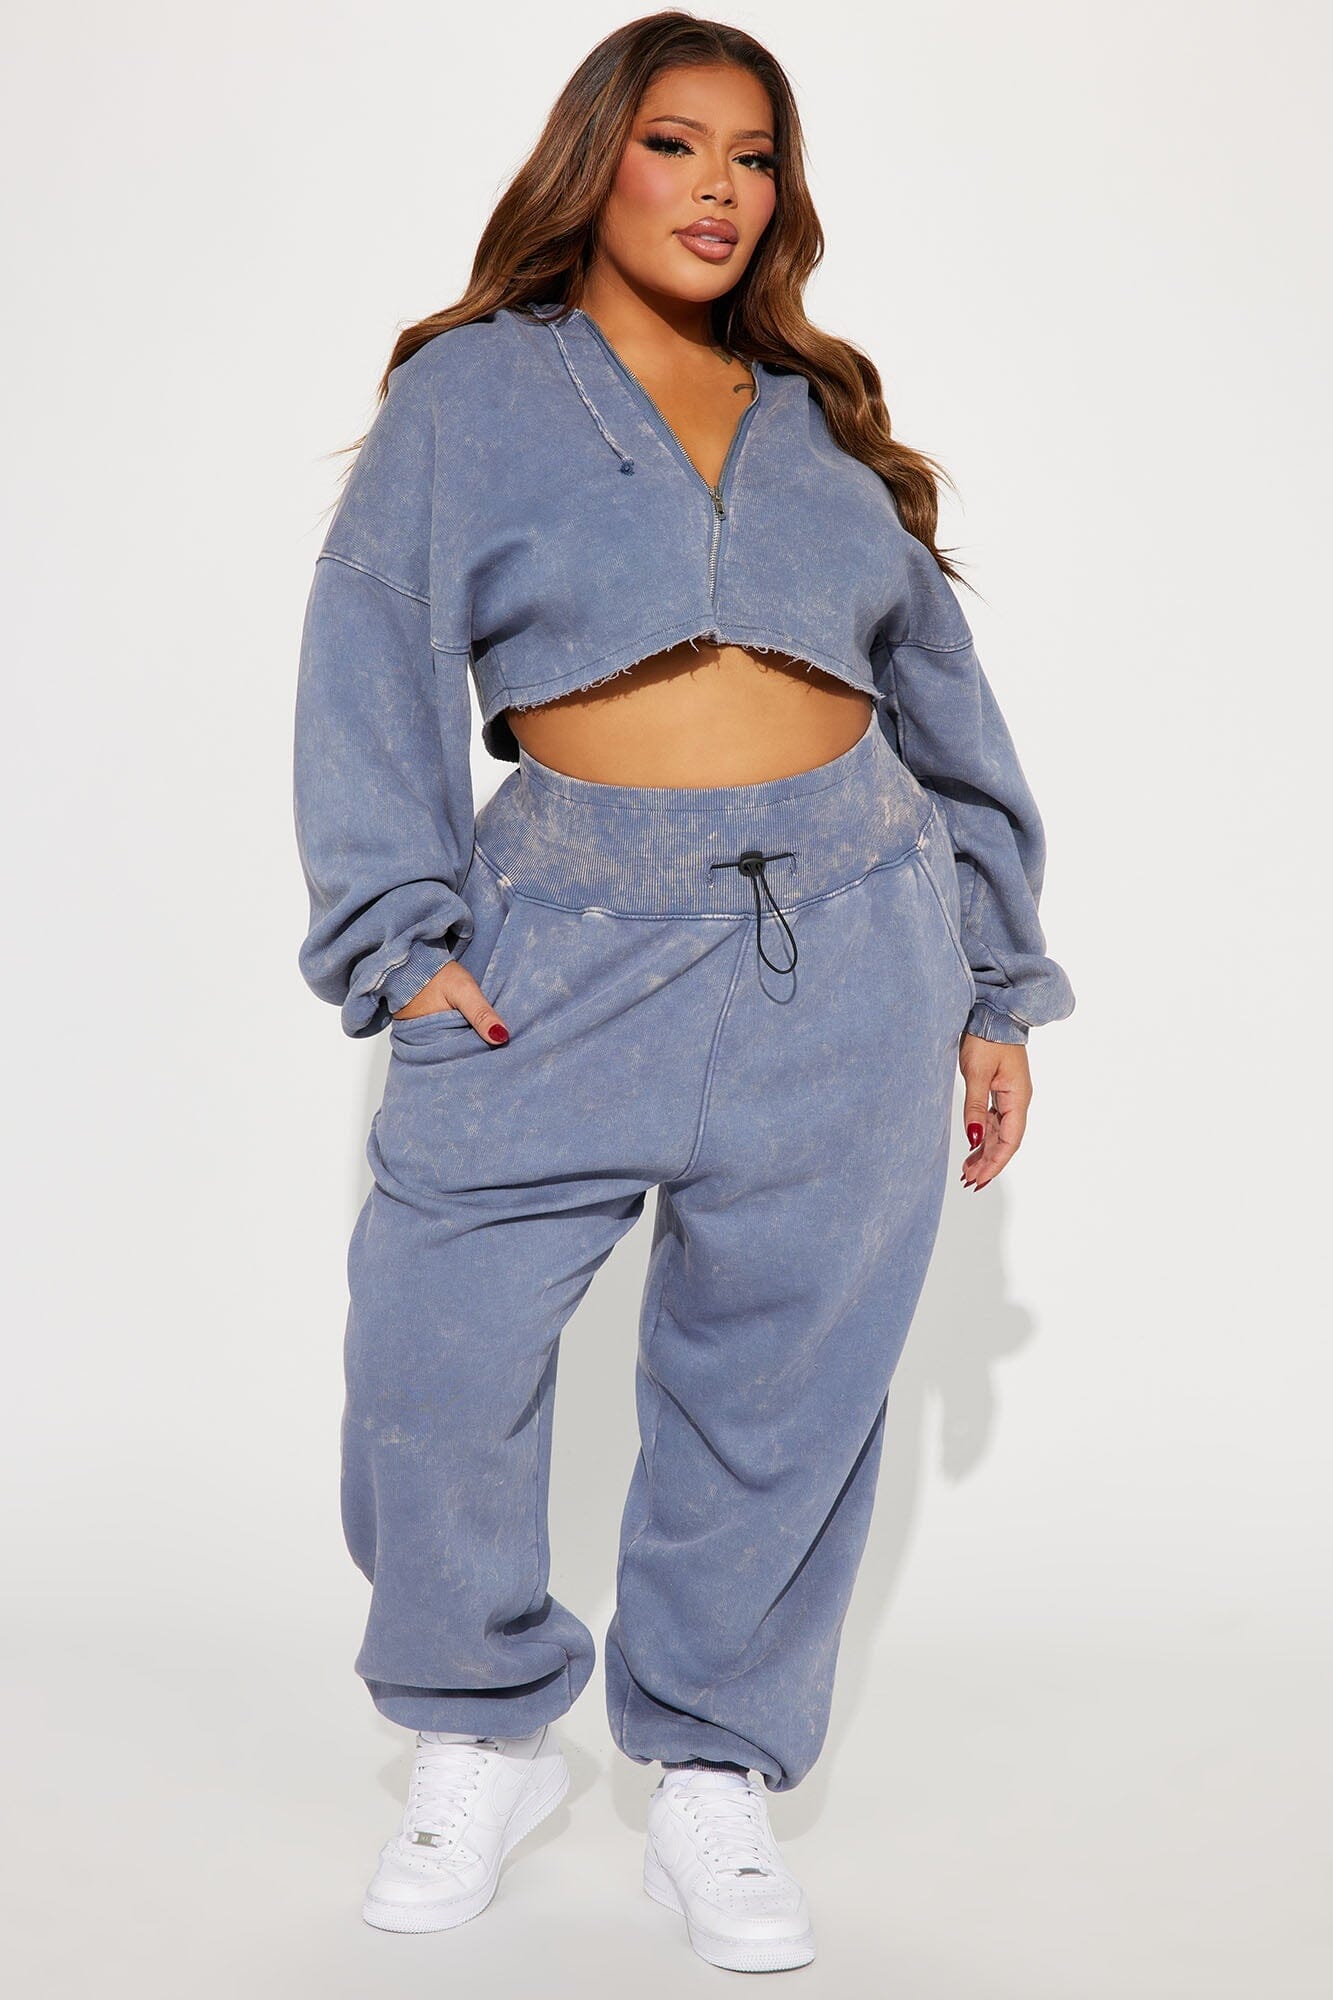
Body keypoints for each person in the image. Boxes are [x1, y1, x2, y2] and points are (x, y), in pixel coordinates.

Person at [292, 13, 1075, 1975]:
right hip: (557, 946)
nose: (719, 187)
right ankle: (477, 1736)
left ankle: (711, 1772)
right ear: (597, 159)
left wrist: (990, 986)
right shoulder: (477, 392)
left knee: (779, 1391)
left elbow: (947, 712)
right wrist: (402, 946)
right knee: (434, 1355)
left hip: (853, 937)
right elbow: (368, 661)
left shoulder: (820, 421)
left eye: (754, 154)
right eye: (675, 143)